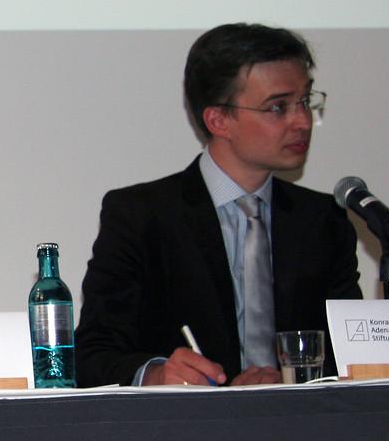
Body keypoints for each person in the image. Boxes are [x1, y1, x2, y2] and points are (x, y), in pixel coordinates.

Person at [75, 23, 361, 387]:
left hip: (302, 420)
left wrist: (293, 382)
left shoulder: (324, 221)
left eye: (305, 101)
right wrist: (156, 374)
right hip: (187, 421)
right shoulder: (142, 215)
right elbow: (93, 354)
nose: (302, 121)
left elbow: (352, 356)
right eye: (278, 107)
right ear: (218, 119)